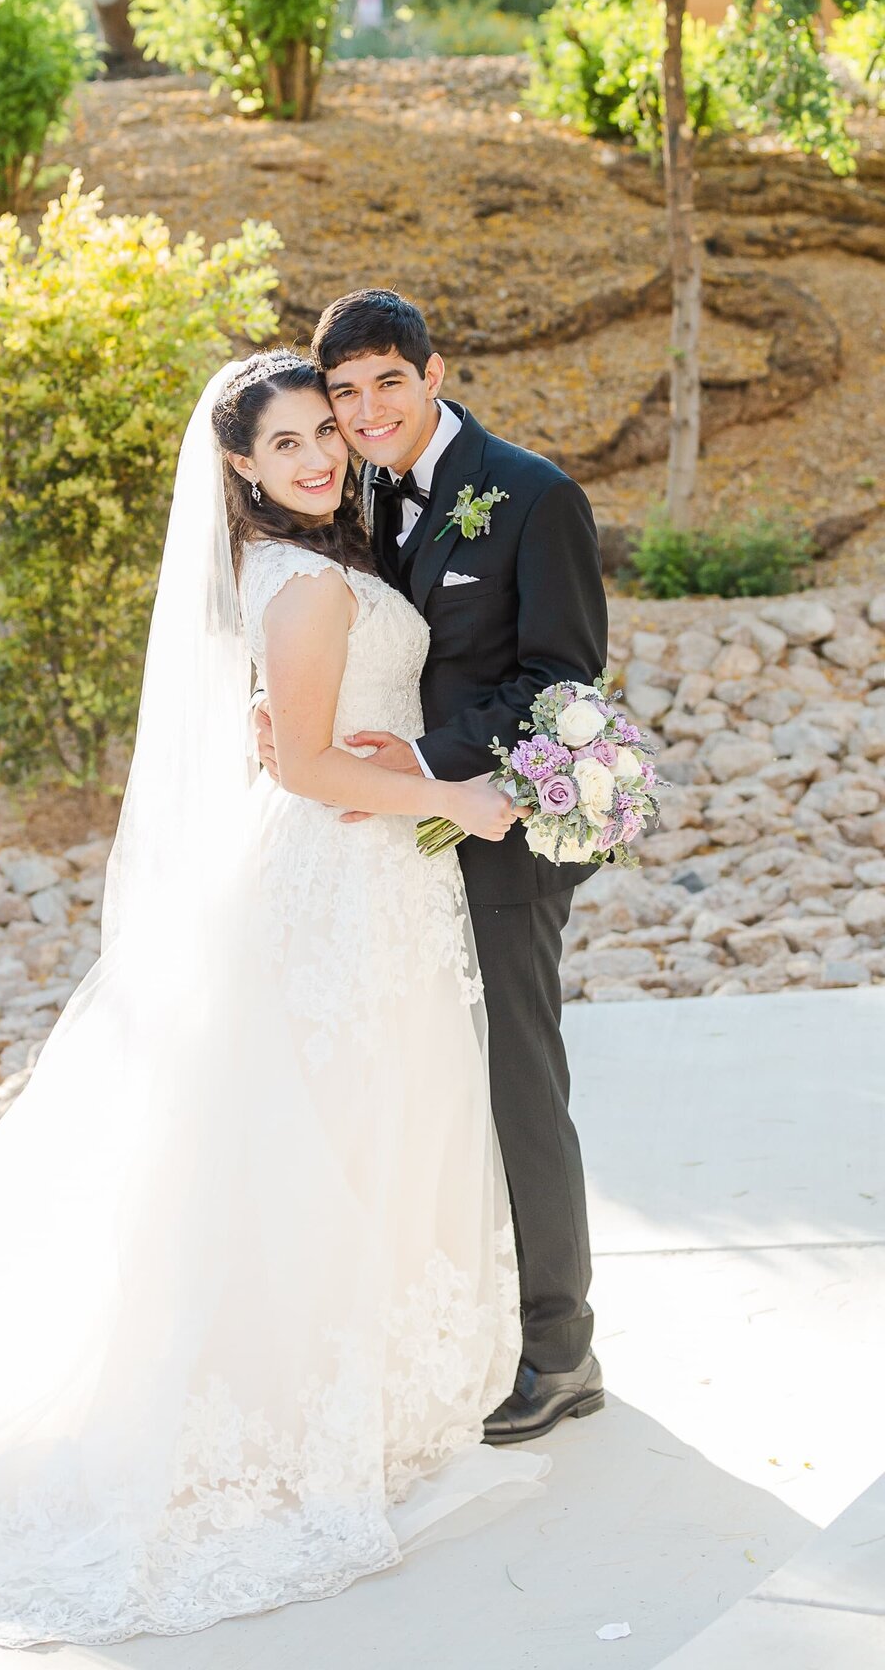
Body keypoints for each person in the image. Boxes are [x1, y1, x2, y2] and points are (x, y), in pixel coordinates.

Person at [0, 353, 547, 1651]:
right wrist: (457, 797)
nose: (320, 455)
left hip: (357, 880)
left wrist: (397, 752)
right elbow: (306, 766)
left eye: (328, 431)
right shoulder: (309, 580)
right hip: (336, 888)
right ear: (241, 469)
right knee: (315, 1149)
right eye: (289, 442)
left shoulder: (307, 562)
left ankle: (340, 1400)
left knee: (337, 1143)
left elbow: (310, 738)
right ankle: (282, 1423)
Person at [256, 292, 609, 1443]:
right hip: (382, 857)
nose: (362, 413)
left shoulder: (536, 495)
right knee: (420, 1096)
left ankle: (560, 1354)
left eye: (384, 385)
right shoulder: (350, 491)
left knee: (515, 1090)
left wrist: (416, 762)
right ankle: (459, 1326)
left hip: (490, 835)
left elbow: (561, 687)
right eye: (342, 393)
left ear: (434, 372)